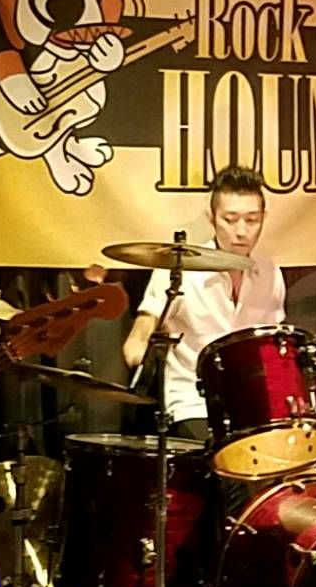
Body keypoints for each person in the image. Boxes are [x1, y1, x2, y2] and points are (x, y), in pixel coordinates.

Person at [116, 165, 286, 446]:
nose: (241, 231)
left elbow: (273, 348)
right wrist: (137, 346)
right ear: (212, 218)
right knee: (226, 455)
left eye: (252, 220)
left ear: (263, 218)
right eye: (230, 220)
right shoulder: (179, 269)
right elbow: (144, 326)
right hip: (193, 404)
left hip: (250, 405)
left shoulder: (270, 273)